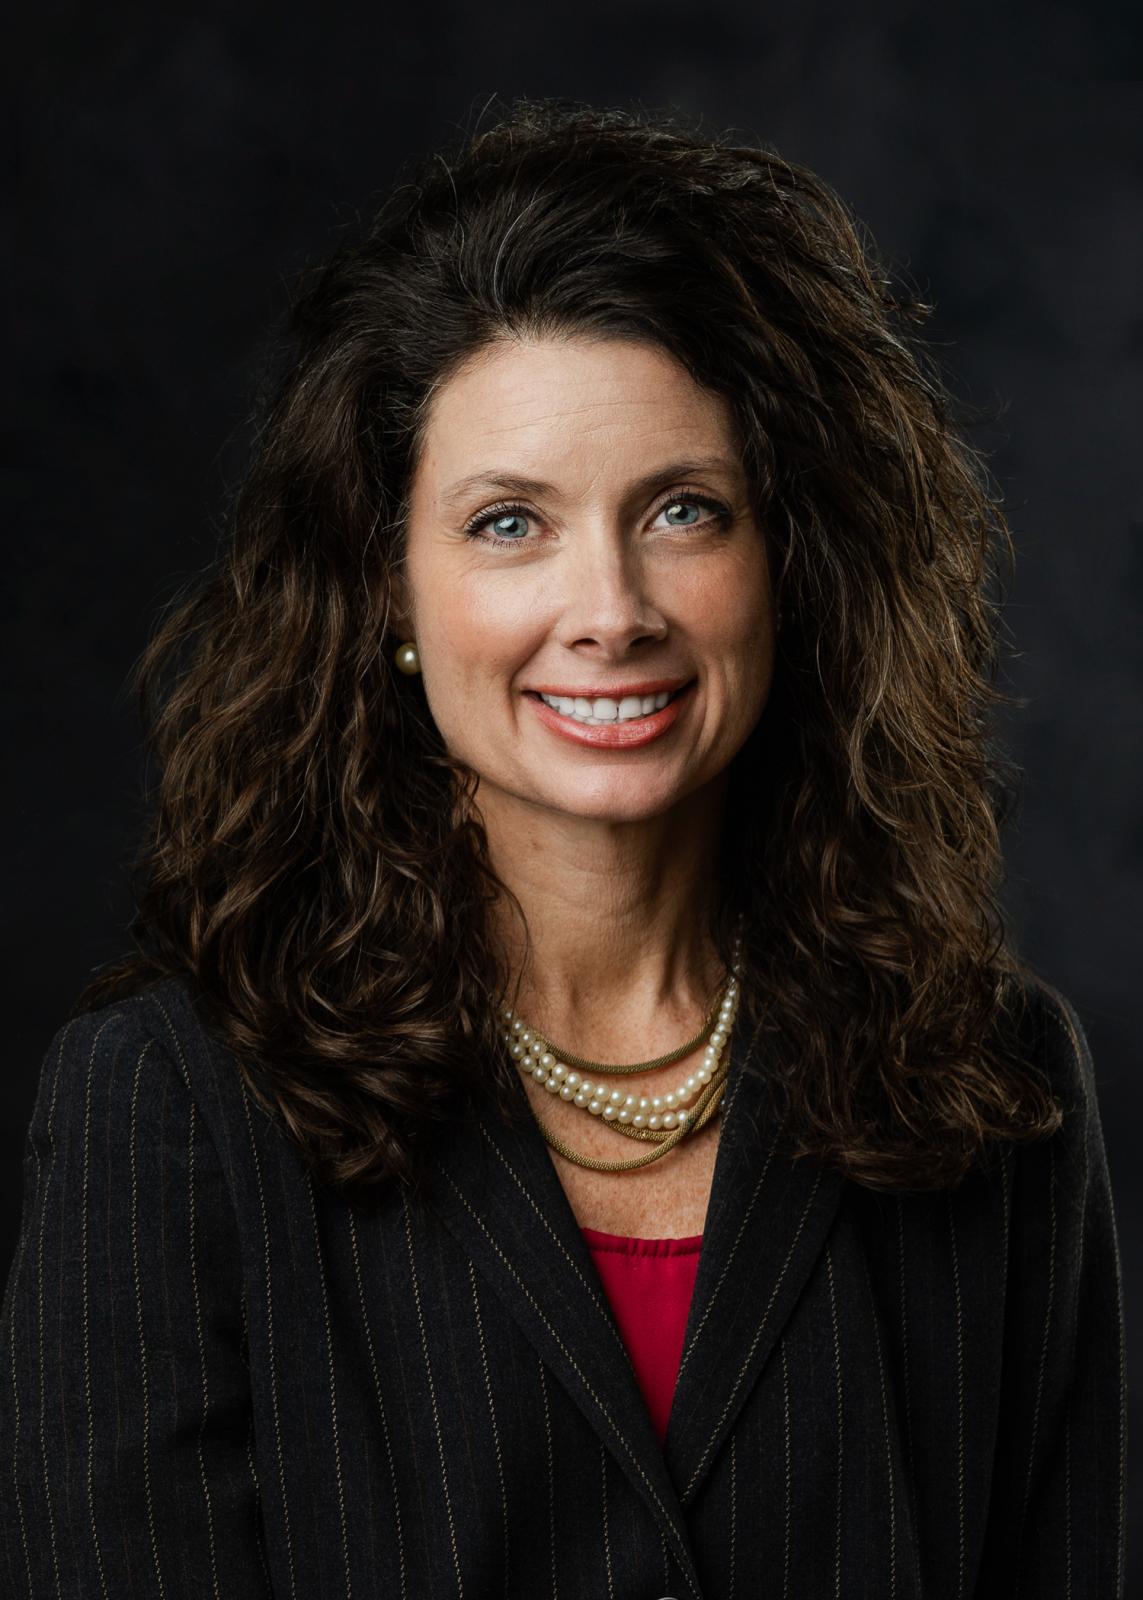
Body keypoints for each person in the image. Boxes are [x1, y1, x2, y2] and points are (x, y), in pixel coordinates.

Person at [1, 96, 1126, 1598]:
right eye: (509, 525)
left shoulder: (1001, 1093)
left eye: (682, 509)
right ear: (389, 594)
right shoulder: (172, 1113)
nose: (610, 608)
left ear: (791, 567)